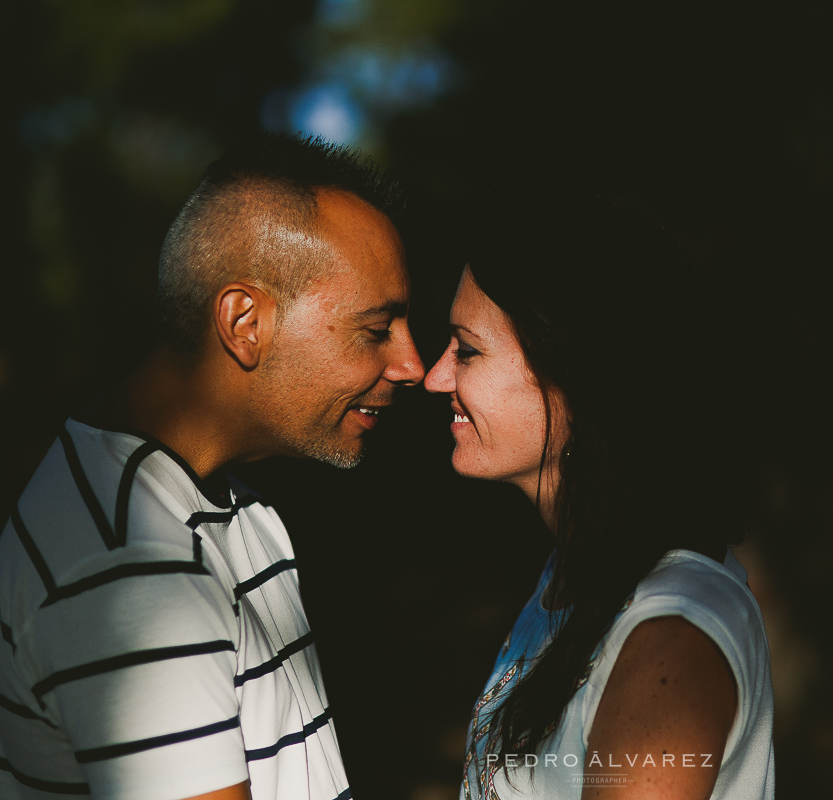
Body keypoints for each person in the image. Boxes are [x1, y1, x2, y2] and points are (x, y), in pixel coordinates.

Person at [0, 133, 425, 800]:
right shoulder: (128, 563)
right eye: (376, 329)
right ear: (244, 321)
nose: (412, 366)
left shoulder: (225, 502)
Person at [425, 196, 775, 799]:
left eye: (467, 349)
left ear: (574, 374)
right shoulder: (574, 576)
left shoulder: (670, 635)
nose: (435, 377)